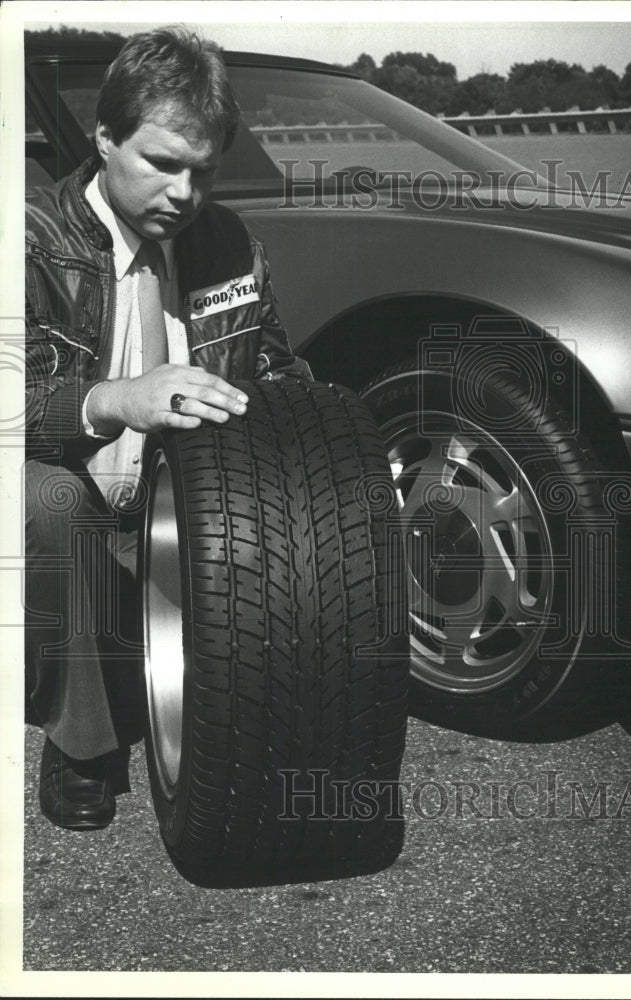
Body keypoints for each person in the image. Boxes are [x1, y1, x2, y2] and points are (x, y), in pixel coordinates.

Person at [25, 26, 311, 830]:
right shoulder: (29, 239)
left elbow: (278, 375)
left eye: (204, 170)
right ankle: (81, 744)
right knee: (47, 502)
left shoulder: (226, 244)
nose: (185, 193)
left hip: (183, 506)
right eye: (162, 164)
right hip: (64, 493)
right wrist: (120, 399)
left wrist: (353, 470)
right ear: (105, 136)